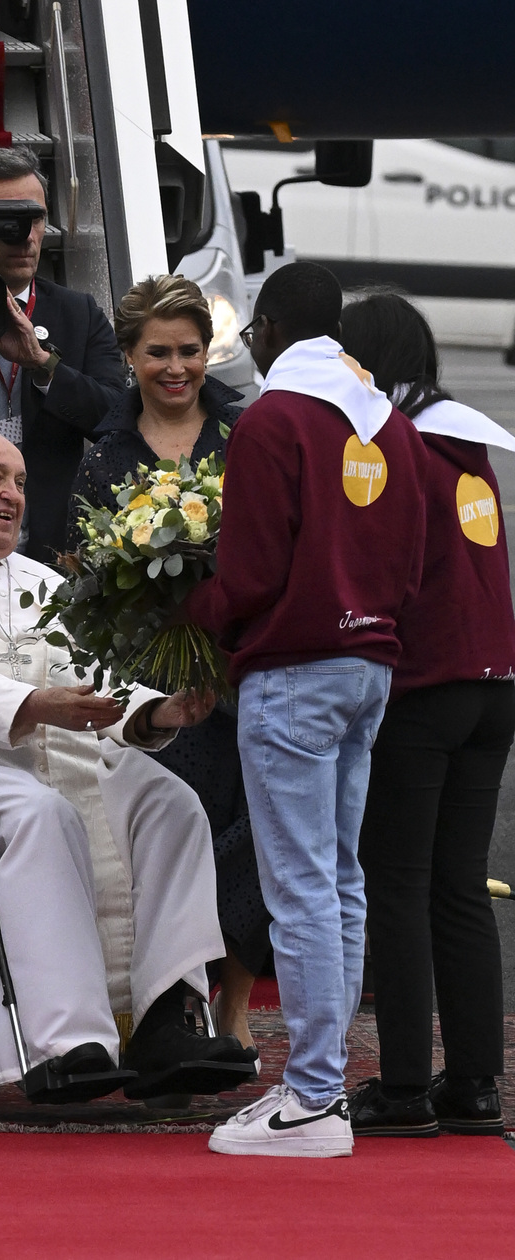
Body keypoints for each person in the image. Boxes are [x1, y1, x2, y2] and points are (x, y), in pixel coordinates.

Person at [0, 429, 258, 1099]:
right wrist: (32, 703)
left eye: (21, 481)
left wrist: (153, 712)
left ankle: (162, 1020)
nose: (12, 495)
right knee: (43, 813)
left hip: (40, 750)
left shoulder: (40, 581)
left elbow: (86, 676)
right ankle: (66, 1040)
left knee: (172, 805)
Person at [182, 261, 429, 1158]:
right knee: (340, 881)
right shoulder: (388, 423)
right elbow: (411, 563)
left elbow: (247, 576)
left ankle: (316, 1096)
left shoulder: (274, 419)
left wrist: (188, 611)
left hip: (294, 670)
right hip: (370, 666)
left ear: (275, 328)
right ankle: (321, 1086)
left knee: (299, 891)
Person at [66, 274, 270, 1056]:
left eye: (190, 350)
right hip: (155, 683)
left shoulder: (248, 431)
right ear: (128, 355)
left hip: (246, 666)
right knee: (173, 834)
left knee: (260, 832)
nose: (177, 367)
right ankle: (174, 993)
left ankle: (236, 1000)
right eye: (159, 352)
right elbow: (84, 576)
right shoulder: (103, 453)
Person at [340, 292, 515, 1138]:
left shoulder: (389, 443)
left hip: (423, 689)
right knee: (459, 888)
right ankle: (477, 1084)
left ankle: (403, 1085)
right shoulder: (466, 440)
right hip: (493, 683)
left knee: (397, 887)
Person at [0, 145, 126, 563]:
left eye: (37, 219)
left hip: (52, 547)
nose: (28, 237)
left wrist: (44, 365)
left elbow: (117, 418)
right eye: (9, 221)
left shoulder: (77, 313)